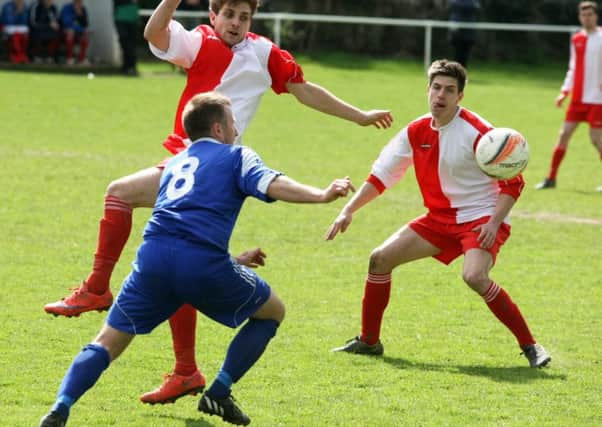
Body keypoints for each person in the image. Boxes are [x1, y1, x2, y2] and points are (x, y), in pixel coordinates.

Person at [43, 0, 393, 406]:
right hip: (183, 158)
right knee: (178, 261)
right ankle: (185, 370)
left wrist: (360, 116)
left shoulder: (264, 52)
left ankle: (97, 290)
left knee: (122, 196)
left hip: (213, 166)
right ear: (213, 16)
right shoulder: (198, 42)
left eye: (244, 17)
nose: (237, 24)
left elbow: (304, 90)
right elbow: (154, 33)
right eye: (229, 15)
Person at [39, 91, 355, 427]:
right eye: (233, 123)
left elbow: (180, 227)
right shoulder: (237, 156)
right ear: (219, 129)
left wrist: (231, 260)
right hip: (200, 263)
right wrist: (321, 195)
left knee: (106, 341)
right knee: (272, 311)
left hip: (153, 261)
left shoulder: (174, 163)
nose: (236, 130)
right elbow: (273, 184)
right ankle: (219, 391)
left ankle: (60, 407)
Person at [327, 59, 551, 369]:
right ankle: (369, 341)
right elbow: (382, 176)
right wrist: (348, 210)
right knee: (380, 259)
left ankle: (531, 346)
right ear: (428, 90)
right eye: (436, 88)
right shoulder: (416, 131)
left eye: (449, 90)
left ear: (460, 96)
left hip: (481, 218)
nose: (440, 95)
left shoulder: (480, 132)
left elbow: (514, 182)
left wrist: (494, 222)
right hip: (438, 219)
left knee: (474, 276)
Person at [536, 1, 602, 191]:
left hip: (597, 100)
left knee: (597, 140)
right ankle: (551, 178)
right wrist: (564, 91)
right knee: (563, 135)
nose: (586, 18)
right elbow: (573, 68)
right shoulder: (577, 39)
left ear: (596, 16)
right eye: (583, 15)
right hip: (578, 99)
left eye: (590, 14)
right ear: (579, 17)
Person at [448, 0, 480, 68]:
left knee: (465, 55)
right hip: (456, 32)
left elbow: (475, 6)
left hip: (469, 33)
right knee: (457, 54)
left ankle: (462, 73)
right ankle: (455, 73)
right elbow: (453, 4)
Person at [59, 0, 89, 65]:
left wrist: (80, 16)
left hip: (78, 32)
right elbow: (66, 23)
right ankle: (69, 58)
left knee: (85, 37)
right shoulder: (67, 8)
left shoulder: (83, 9)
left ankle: (81, 59)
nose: (79, 3)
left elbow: (85, 24)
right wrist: (78, 28)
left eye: (81, 2)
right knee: (70, 34)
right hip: (65, 32)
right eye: (78, 2)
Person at [113, 0, 139, 75]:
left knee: (132, 45)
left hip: (132, 18)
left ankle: (131, 66)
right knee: (124, 43)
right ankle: (127, 66)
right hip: (120, 18)